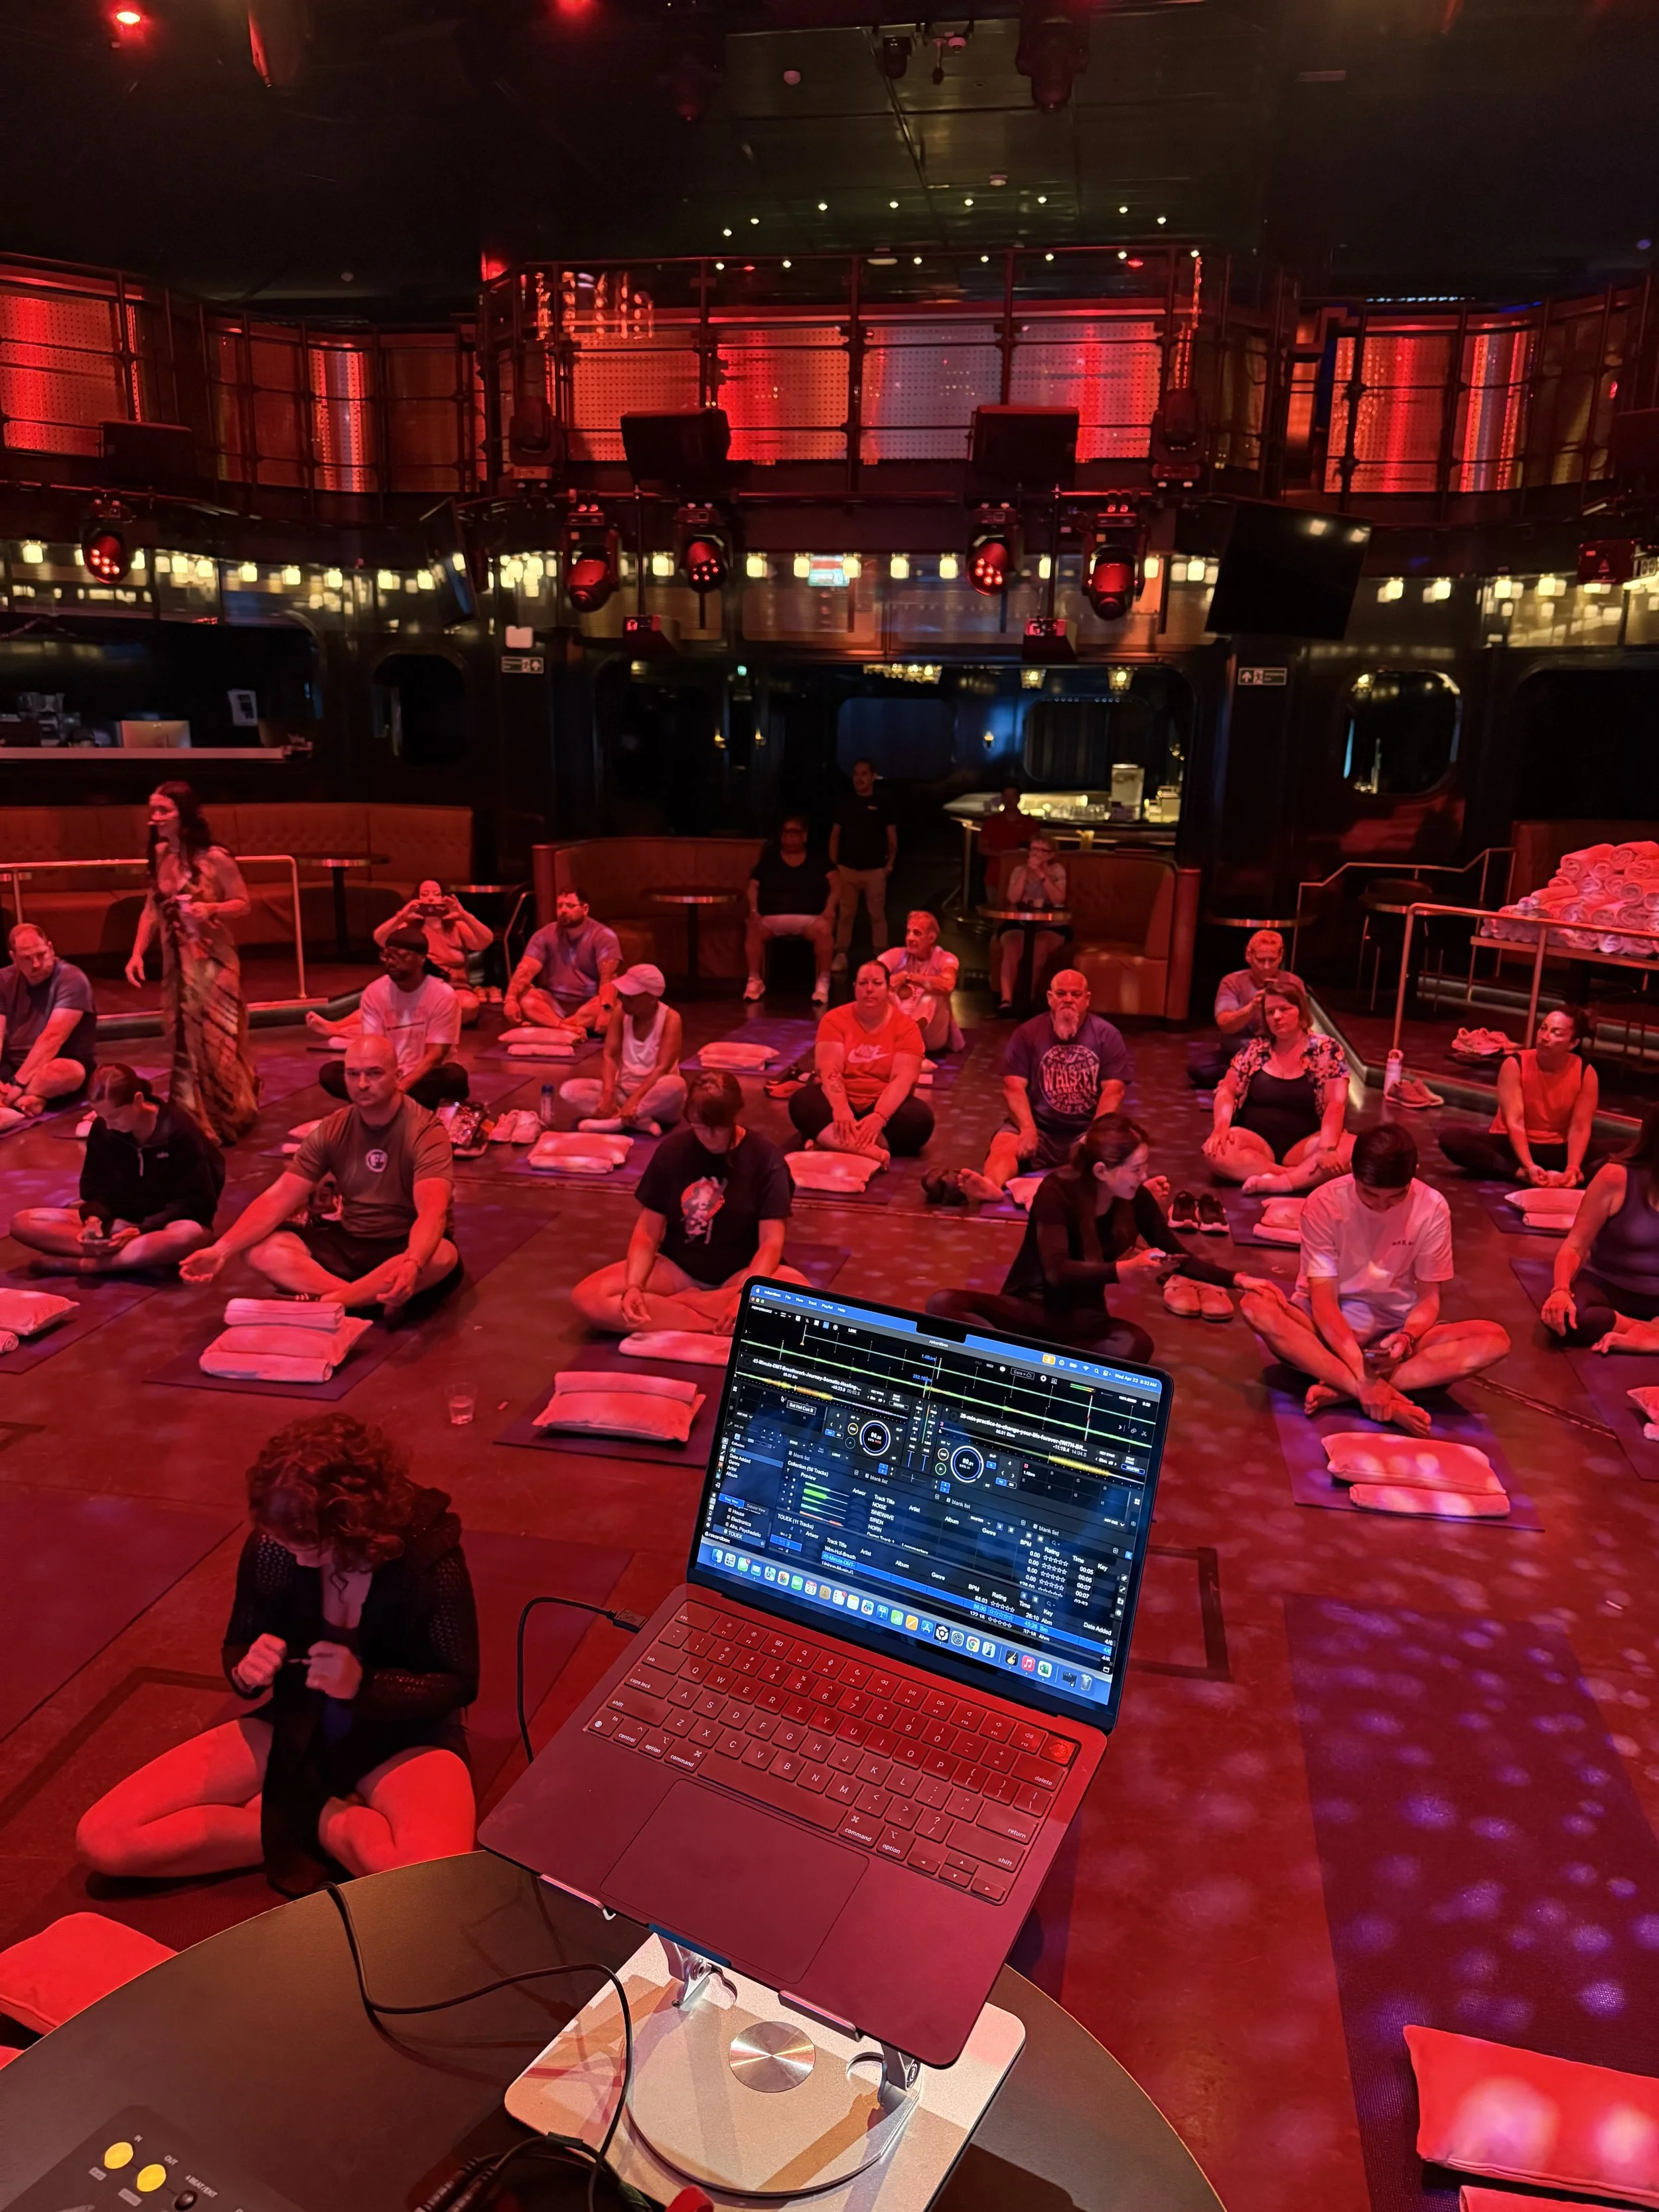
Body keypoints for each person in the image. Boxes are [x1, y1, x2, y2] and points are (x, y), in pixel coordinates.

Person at [76, 1414, 477, 1897]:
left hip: (405, 1737)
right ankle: (324, 1821)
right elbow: (239, 1642)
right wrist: (248, 1669)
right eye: (287, 1544)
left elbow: (458, 1682)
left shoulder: (426, 1555)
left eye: (313, 1547)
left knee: (432, 1888)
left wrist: (362, 1684)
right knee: (104, 1840)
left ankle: (300, 1817)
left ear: (354, 1524)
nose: (298, 1558)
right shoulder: (275, 1545)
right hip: (298, 1727)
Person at [927, 1116, 1271, 1361]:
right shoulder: (1057, 1191)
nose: (1144, 1176)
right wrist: (1126, 1270)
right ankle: (1043, 1362)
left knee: (1136, 1345)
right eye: (1136, 1169)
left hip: (1083, 1319)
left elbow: (1178, 1255)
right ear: (1102, 1171)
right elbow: (1057, 1272)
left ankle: (1024, 1360)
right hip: (1030, 1308)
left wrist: (1241, 1280)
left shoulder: (1136, 1198)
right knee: (943, 1304)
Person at [1240, 1123, 1510, 1434]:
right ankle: (1369, 1389)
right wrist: (1363, 1375)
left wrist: (1407, 1338)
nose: (1381, 1206)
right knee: (1255, 1305)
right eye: (1369, 1194)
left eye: (1396, 1197)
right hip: (1323, 1330)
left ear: (1414, 1174)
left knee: (1494, 1340)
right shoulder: (1324, 1203)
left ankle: (1344, 1389)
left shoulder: (1432, 1207)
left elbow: (1429, 1298)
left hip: (1392, 1336)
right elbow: (1324, 1302)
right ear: (1353, 1172)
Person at [181, 1033, 459, 1313]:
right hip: (351, 1242)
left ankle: (328, 1303)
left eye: (374, 1074)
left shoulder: (425, 1131)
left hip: (404, 1244)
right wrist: (220, 1251)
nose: (362, 1084)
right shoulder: (333, 1128)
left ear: (398, 1076)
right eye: (353, 1074)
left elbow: (432, 1212)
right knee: (260, 1250)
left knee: (442, 1255)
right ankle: (364, 1301)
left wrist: (413, 1263)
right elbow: (280, 1197)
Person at [571, 1072, 808, 1333]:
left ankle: (686, 1308)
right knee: (589, 1296)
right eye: (700, 1127)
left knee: (802, 1301)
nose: (709, 1136)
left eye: (717, 1128)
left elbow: (771, 1243)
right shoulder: (672, 1152)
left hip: (741, 1274)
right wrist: (634, 1286)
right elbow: (647, 1233)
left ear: (733, 1117)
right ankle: (716, 1323)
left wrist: (745, 1294)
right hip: (678, 1272)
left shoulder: (766, 1160)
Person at [125, 781, 259, 1145]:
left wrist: (211, 908)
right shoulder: (160, 854)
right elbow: (151, 909)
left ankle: (230, 1114)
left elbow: (243, 903)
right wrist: (137, 953)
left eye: (163, 811)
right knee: (184, 1038)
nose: (155, 818)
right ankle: (193, 1119)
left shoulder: (215, 858)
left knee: (217, 1039)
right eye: (152, 810)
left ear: (183, 814)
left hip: (213, 961)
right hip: (178, 963)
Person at [9, 1063, 224, 1275]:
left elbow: (196, 1203)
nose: (110, 1125)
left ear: (138, 1100)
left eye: (115, 1116)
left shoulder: (179, 1132)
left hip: (164, 1226)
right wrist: (94, 1222)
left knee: (186, 1236)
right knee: (23, 1223)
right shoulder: (103, 1128)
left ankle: (87, 1265)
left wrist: (142, 1229)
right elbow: (96, 1190)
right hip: (118, 1223)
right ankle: (138, 1259)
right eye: (103, 1116)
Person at [958, 969, 1131, 1203]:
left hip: (1086, 1129)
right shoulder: (1027, 1034)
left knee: (1123, 1152)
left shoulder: (1108, 1035)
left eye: (1075, 994)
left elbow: (1114, 1090)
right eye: (1061, 994)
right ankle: (991, 1185)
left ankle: (1131, 1194)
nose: (1068, 1000)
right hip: (1039, 1127)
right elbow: (1013, 1087)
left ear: (1087, 999)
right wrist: (1028, 1128)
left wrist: (1095, 1134)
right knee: (1004, 1143)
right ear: (1050, 998)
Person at [1202, 977, 1353, 1193]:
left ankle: (1275, 1182)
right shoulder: (1256, 1050)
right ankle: (1291, 1177)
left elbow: (1335, 1103)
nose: (1277, 1017)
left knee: (1354, 1150)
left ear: (1300, 1011)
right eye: (1270, 1012)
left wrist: (1327, 1148)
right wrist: (1221, 1128)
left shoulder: (1326, 1049)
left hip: (1306, 1144)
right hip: (1256, 1143)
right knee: (1214, 1151)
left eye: (1284, 1009)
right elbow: (1227, 1089)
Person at [787, 959, 934, 1161]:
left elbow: (903, 1079)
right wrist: (841, 1109)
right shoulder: (834, 1019)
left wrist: (879, 1117)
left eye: (877, 983)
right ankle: (867, 1149)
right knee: (802, 1102)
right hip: (840, 1103)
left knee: (920, 1120)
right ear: (855, 988)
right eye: (863, 983)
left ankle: (833, 1142)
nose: (869, 989)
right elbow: (829, 1069)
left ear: (888, 988)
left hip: (882, 1104)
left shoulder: (907, 1028)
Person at [1439, 1007, 1603, 1185]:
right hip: (1513, 1146)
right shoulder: (1515, 1064)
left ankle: (1573, 1177)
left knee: (1623, 1152)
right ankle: (1519, 1173)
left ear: (1573, 1043)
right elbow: (1515, 1122)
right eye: (1543, 1028)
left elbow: (1580, 1127)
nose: (1545, 1037)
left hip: (1558, 1149)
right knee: (1453, 1138)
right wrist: (1529, 1166)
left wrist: (1573, 1167)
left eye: (1556, 1033)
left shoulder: (1586, 1072)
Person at [1542, 1103, 1659, 1351]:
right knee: (1567, 1319)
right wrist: (1560, 1290)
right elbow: (1574, 1246)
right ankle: (1648, 1331)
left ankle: (1648, 1340)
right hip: (1609, 1286)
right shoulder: (1616, 1177)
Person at [315, 928, 468, 1111]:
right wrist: (383, 1080)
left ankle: (383, 1102)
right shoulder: (375, 992)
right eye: (388, 956)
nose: (391, 962)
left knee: (454, 1076)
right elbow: (374, 1046)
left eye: (401, 956)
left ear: (422, 959)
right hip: (387, 1075)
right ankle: (393, 1103)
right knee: (330, 1073)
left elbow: (436, 1054)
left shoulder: (442, 993)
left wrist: (402, 1087)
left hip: (424, 1076)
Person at [559, 963, 686, 1133]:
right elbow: (610, 1055)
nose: (624, 1000)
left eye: (631, 997)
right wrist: (608, 1093)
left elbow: (662, 1067)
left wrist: (635, 1100)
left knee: (676, 1085)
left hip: (655, 1099)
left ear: (651, 997)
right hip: (622, 1093)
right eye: (623, 995)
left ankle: (617, 1123)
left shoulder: (671, 1019)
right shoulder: (620, 1012)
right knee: (570, 1090)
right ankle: (637, 1120)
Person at [0, 923, 97, 1122]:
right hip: (11, 1065)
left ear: (51, 949)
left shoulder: (72, 979)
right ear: (13, 957)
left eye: (41, 955)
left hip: (55, 1062)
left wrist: (17, 1085)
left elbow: (52, 1038)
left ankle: (14, 1100)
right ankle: (28, 1101)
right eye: (27, 958)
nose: (36, 964)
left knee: (68, 1072)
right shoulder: (3, 979)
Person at [1187, 928, 1303, 1088]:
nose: (1266, 967)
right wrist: (1251, 1008)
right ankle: (1260, 1078)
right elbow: (1225, 1025)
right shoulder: (1232, 982)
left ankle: (1251, 1078)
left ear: (1281, 956)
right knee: (1199, 1069)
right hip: (1239, 1051)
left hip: (1278, 1052)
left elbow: (1303, 1024)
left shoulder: (1293, 983)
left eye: (1272, 960)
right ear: (1249, 956)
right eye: (1261, 960)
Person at [745, 814, 837, 1006]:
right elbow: (753, 886)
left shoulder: (818, 859)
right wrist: (753, 910)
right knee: (753, 928)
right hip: (772, 918)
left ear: (804, 836)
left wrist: (830, 908)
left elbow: (836, 882)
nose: (789, 837)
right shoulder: (769, 860)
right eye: (786, 833)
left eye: (794, 832)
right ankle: (755, 980)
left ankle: (823, 981)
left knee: (824, 930)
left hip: (810, 920)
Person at [504, 889, 621, 1035]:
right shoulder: (544, 935)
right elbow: (526, 969)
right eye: (560, 906)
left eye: (570, 906)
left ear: (585, 909)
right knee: (525, 998)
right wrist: (510, 1000)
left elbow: (608, 981)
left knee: (613, 1006)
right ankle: (566, 1028)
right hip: (555, 1004)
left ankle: (554, 1025)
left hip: (589, 1004)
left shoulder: (604, 936)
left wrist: (606, 1010)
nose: (563, 911)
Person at [377, 881, 492, 1024]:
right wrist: (401, 916)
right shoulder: (409, 925)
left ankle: (423, 1018)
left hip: (455, 986)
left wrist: (464, 915)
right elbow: (380, 939)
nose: (431, 898)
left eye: (436, 894)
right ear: (417, 899)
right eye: (425, 895)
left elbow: (485, 941)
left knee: (468, 1006)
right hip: (419, 986)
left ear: (444, 898)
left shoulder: (457, 925)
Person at [829, 757, 897, 973]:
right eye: (856, 774)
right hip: (847, 869)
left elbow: (891, 838)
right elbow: (835, 835)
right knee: (845, 914)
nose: (859, 778)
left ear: (873, 776)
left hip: (875, 870)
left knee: (877, 915)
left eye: (864, 774)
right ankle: (841, 954)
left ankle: (881, 956)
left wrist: (890, 865)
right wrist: (834, 865)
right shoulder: (845, 803)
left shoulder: (883, 804)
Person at [995, 836, 1069, 1015]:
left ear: (1051, 855)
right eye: (1033, 849)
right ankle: (1006, 1001)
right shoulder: (1019, 870)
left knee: (1039, 946)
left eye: (1041, 850)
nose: (1036, 854)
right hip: (1020, 923)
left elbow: (1058, 899)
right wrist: (1027, 872)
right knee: (1011, 945)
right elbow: (1012, 898)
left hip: (1051, 926)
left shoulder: (1057, 871)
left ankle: (1028, 1000)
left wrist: (1042, 875)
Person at [881, 910, 962, 1055]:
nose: (910, 938)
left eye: (917, 933)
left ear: (931, 938)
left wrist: (909, 978)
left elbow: (948, 984)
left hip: (931, 1034)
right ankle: (904, 1042)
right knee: (881, 988)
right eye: (908, 932)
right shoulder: (897, 955)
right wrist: (892, 985)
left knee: (932, 993)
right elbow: (871, 974)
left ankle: (908, 1041)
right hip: (898, 1027)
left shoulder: (945, 958)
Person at [977, 783, 1037, 861]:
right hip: (997, 866)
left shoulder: (1029, 822)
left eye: (1013, 796)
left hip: (1022, 865)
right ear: (1002, 799)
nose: (1009, 800)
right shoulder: (991, 821)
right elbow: (982, 847)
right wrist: (1000, 855)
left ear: (1019, 799)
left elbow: (1037, 846)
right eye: (1006, 796)